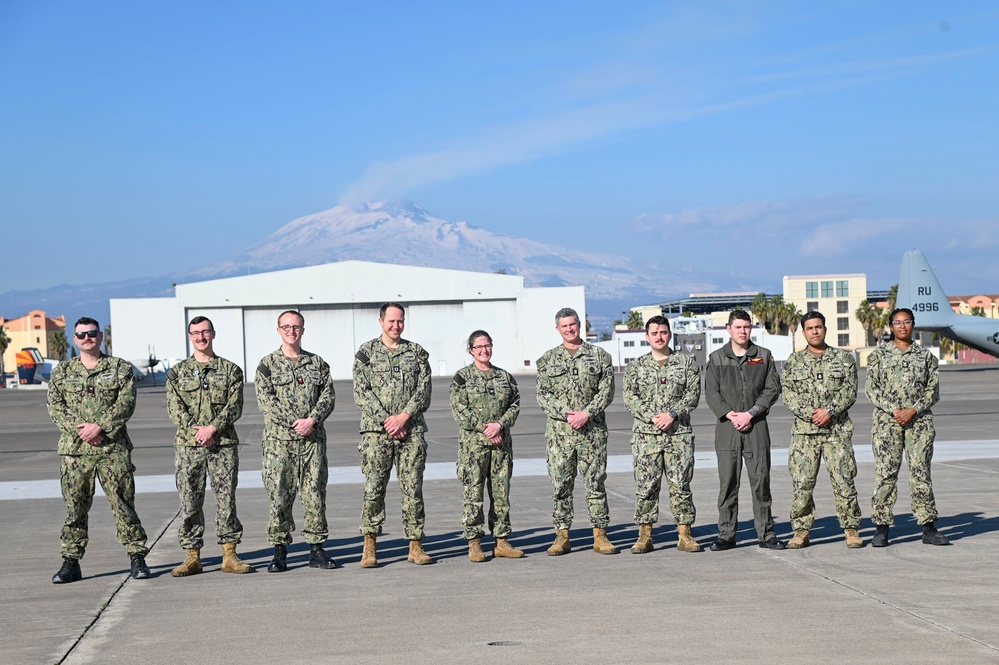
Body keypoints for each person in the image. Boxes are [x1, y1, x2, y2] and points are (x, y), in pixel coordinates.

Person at [47, 317, 151, 583]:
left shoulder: (119, 368)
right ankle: (71, 562)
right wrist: (83, 431)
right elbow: (55, 407)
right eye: (81, 335)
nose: (87, 338)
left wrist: (100, 427)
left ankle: (137, 557)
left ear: (101, 336)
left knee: (124, 505)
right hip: (76, 451)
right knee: (75, 509)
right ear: (74, 339)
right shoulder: (62, 371)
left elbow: (126, 403)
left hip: (112, 450)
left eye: (92, 333)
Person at [166, 316, 252, 576]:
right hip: (189, 446)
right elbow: (174, 408)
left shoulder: (230, 370)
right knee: (190, 500)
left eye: (205, 332)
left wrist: (212, 429)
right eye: (196, 333)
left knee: (226, 501)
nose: (201, 337)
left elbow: (234, 406)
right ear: (189, 336)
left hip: (222, 444)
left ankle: (229, 555)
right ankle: (192, 556)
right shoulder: (177, 373)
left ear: (213, 334)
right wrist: (199, 432)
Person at [255, 310, 338, 572]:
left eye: (297, 327)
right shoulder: (267, 365)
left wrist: (311, 420)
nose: (292, 331)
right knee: (279, 495)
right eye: (287, 327)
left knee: (314, 494)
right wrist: (296, 422)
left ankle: (316, 549)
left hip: (312, 442)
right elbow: (266, 402)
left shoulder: (318, 364)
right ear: (278, 330)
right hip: (280, 444)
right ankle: (279, 551)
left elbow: (328, 396)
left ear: (303, 330)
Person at [353, 303, 433, 567]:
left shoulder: (417, 353)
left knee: (413, 489)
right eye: (391, 321)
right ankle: (370, 546)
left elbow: (424, 390)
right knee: (374, 489)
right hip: (376, 433)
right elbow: (361, 392)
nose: (396, 326)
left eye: (400, 321)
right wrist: (387, 420)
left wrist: (404, 417)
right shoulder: (366, 353)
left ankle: (415, 545)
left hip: (410, 432)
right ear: (380, 321)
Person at [865, 308, 950, 547]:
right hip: (887, 424)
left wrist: (913, 410)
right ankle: (881, 528)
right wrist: (894, 410)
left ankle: (928, 526)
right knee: (885, 474)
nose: (902, 327)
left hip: (919, 423)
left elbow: (933, 390)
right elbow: (871, 389)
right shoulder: (879, 356)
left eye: (907, 322)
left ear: (913, 325)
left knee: (921, 472)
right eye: (897, 323)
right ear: (890, 326)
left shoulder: (925, 356)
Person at [536, 307, 617, 555]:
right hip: (560, 436)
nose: (569, 329)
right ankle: (562, 536)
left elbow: (607, 391)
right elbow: (543, 395)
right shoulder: (548, 359)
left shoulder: (599, 356)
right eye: (564, 326)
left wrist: (586, 413)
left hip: (591, 434)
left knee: (595, 485)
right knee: (561, 486)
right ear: (558, 329)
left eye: (573, 324)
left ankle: (600, 535)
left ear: (579, 325)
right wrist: (567, 414)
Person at [781, 311, 863, 549]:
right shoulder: (793, 361)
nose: (815, 331)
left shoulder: (843, 359)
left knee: (844, 480)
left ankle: (851, 528)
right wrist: (811, 414)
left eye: (818, 327)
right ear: (803, 332)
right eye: (809, 328)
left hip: (836, 431)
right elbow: (788, 394)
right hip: (805, 434)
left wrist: (829, 410)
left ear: (825, 329)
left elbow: (849, 391)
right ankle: (801, 530)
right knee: (802, 483)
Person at [704, 309, 784, 550]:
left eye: (746, 327)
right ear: (728, 329)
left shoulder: (763, 356)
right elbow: (711, 392)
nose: (742, 331)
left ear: (751, 329)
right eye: (738, 327)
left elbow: (772, 388)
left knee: (761, 481)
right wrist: (731, 415)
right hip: (727, 428)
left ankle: (766, 534)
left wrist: (751, 413)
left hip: (756, 425)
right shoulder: (717, 358)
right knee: (728, 482)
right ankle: (726, 534)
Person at [623, 316, 703, 554]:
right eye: (654, 333)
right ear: (647, 337)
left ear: (670, 334)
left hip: (678, 435)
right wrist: (652, 416)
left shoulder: (686, 364)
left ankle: (685, 534)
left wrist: (672, 414)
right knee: (646, 486)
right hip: (646, 437)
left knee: (681, 485)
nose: (659, 337)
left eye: (664, 332)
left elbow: (693, 394)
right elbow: (630, 397)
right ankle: (645, 535)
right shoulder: (635, 367)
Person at [449, 330, 524, 562]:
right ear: (470, 350)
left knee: (501, 495)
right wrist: (485, 428)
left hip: (500, 446)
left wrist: (499, 425)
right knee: (473, 494)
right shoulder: (462, 378)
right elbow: (459, 410)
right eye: (479, 346)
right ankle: (474, 543)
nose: (484, 350)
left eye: (487, 345)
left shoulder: (505, 377)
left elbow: (515, 404)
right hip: (474, 448)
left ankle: (501, 541)